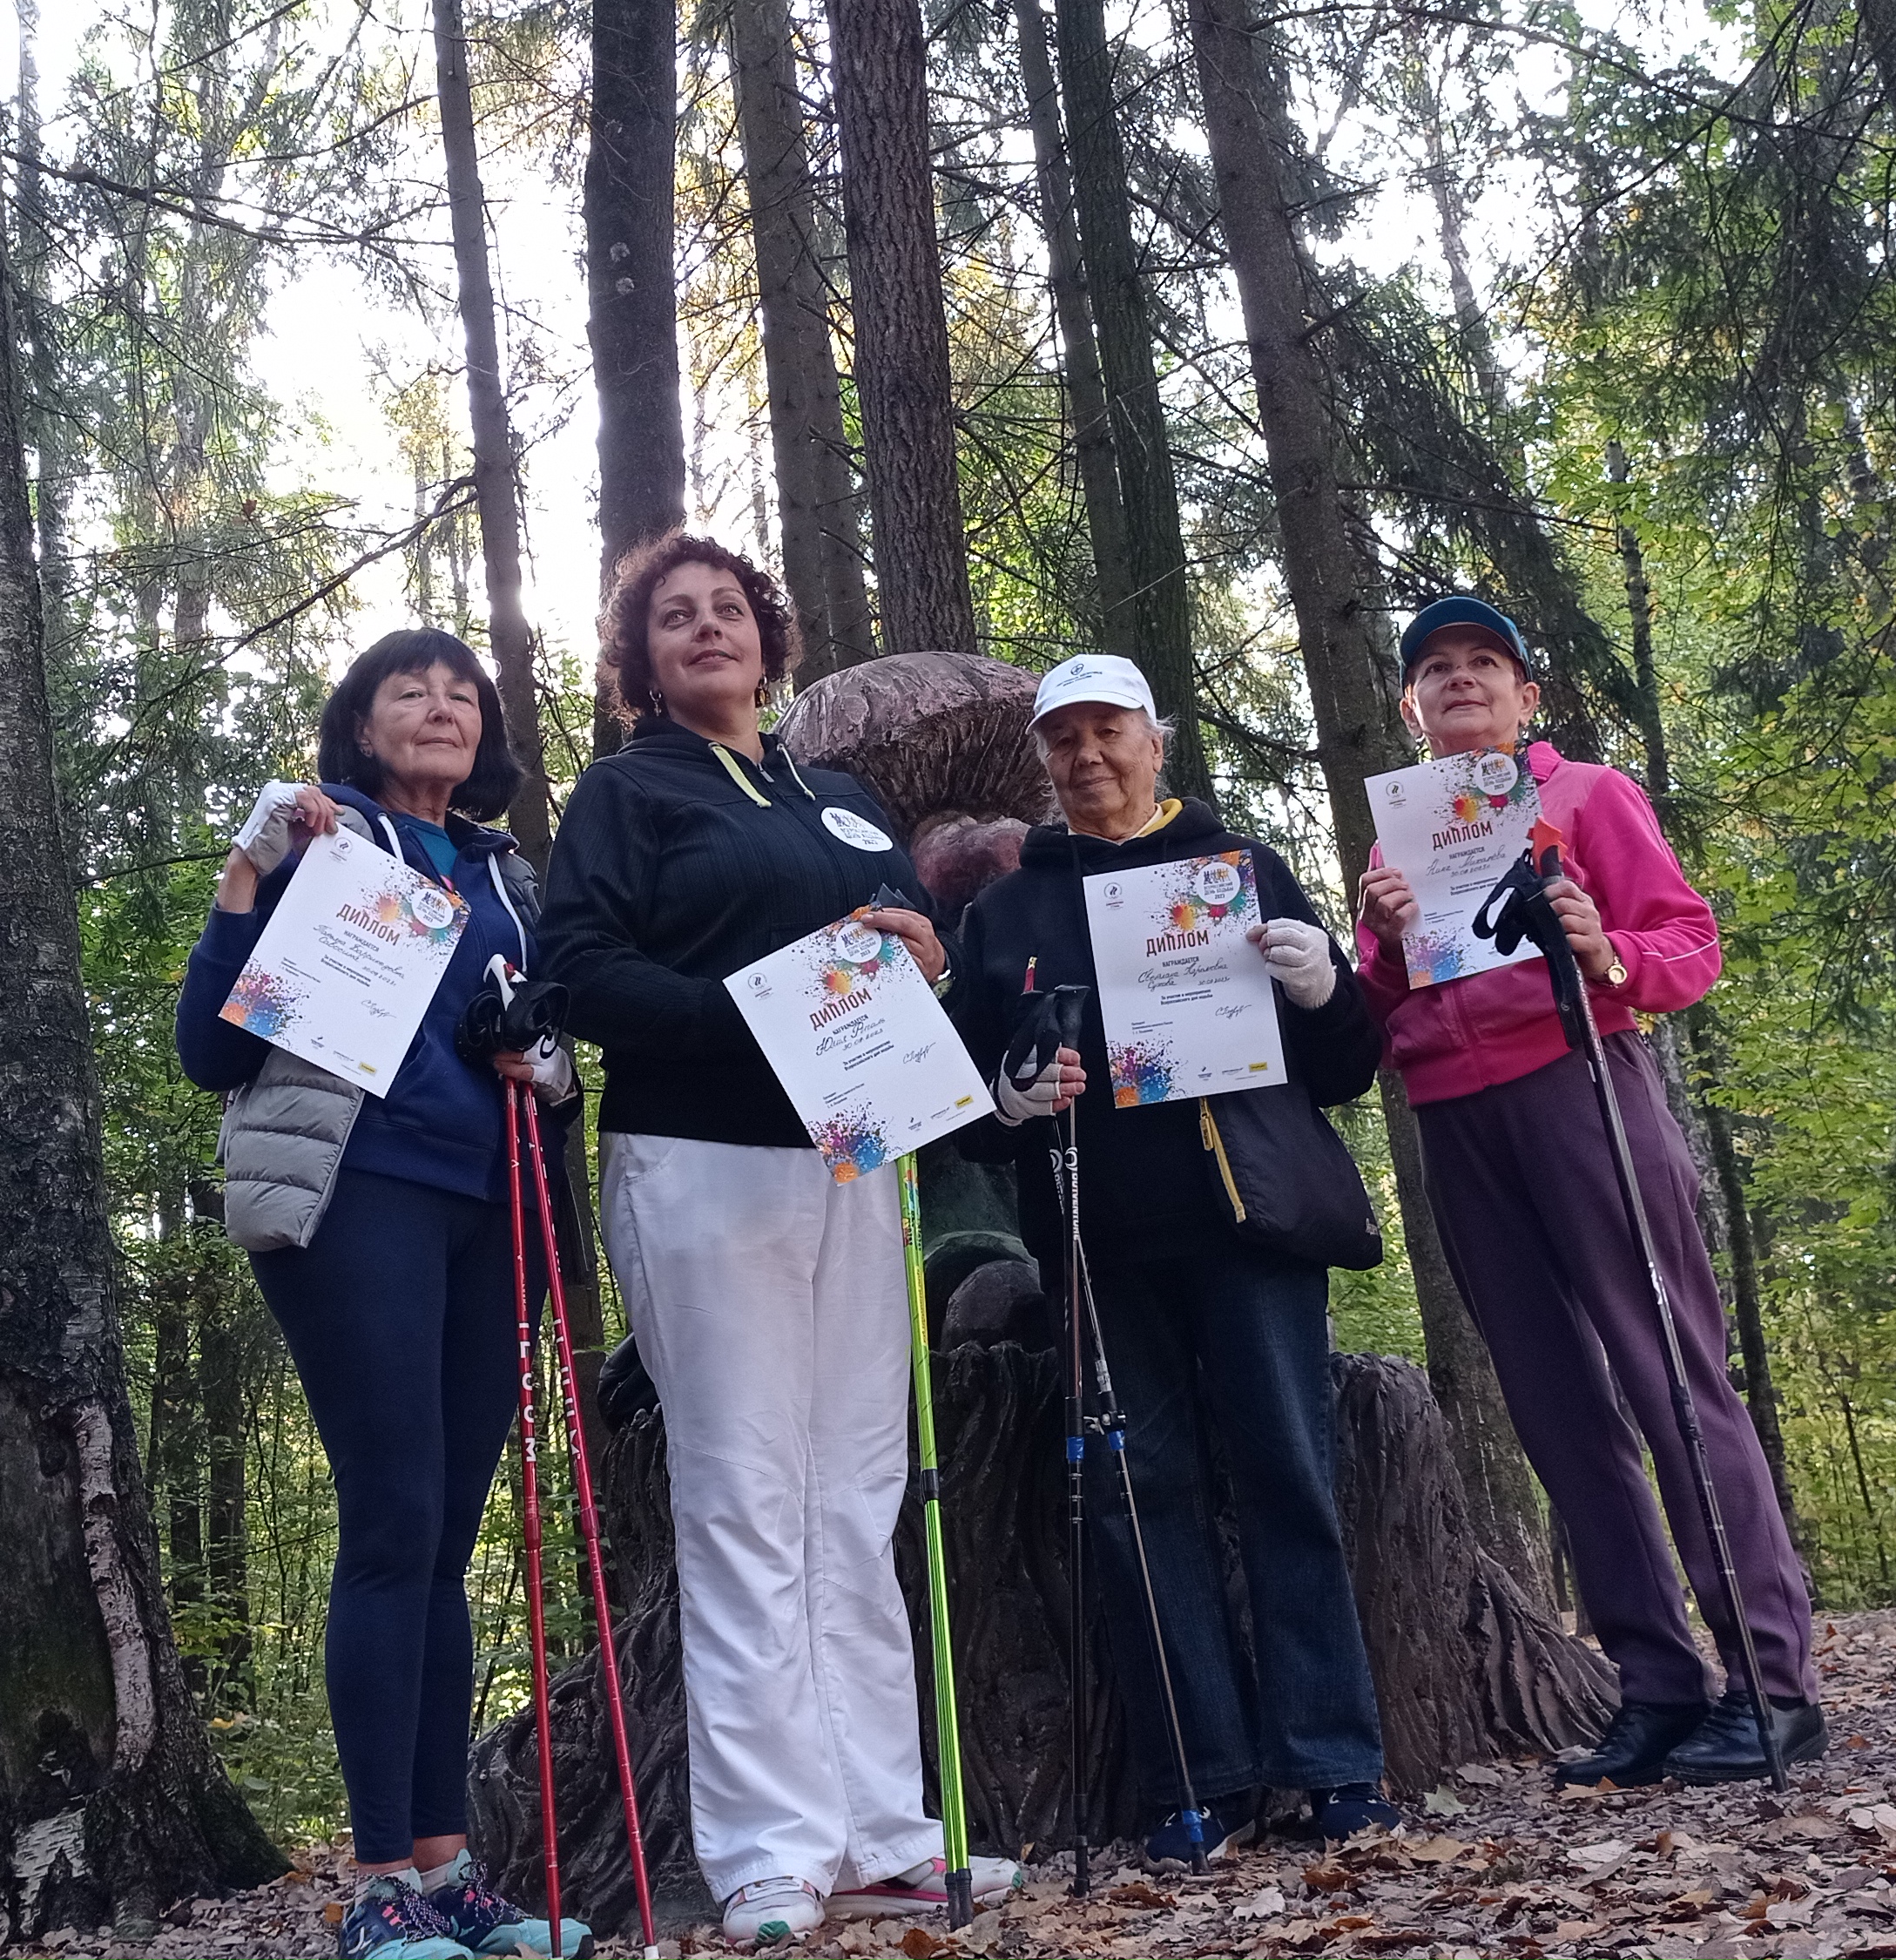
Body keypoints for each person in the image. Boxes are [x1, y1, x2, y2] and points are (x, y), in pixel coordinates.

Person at [539, 533, 1015, 1948]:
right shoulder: (626, 793)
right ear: (638, 657)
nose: (705, 630)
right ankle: (765, 1850)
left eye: (726, 609)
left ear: (769, 634)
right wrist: (742, 1011)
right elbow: (578, 969)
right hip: (699, 1159)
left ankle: (884, 1831)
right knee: (745, 1497)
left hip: (854, 1155)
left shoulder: (844, 799)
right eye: (672, 617)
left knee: (859, 1492)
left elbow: (916, 939)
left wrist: (926, 949)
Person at [1352, 596, 1825, 1788]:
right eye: (1437, 670)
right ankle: (1656, 1684)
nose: (1461, 681)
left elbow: (1689, 943)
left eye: (1485, 664)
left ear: (1527, 696)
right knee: (1557, 1406)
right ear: (1411, 706)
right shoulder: (1396, 836)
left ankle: (1773, 1685)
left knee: (1668, 1371)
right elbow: (1378, 1015)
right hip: (1455, 1119)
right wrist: (1383, 943)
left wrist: (1602, 944)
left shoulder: (1588, 795)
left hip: (1581, 1081)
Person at [942, 653, 1407, 1864]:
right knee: (1137, 1499)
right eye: (1063, 739)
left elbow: (1349, 1063)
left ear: (1156, 740)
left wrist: (1320, 983)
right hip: (1093, 1246)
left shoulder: (1239, 868)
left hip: (1246, 1223)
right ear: (1042, 759)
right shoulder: (1003, 914)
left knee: (1289, 1474)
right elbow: (961, 1099)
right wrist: (1013, 1090)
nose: (1086, 755)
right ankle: (1196, 1776)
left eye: (1109, 731)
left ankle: (1333, 1756)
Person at [174, 629, 588, 1960]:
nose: (441, 707)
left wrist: (549, 1065)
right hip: (359, 1199)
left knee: (447, 1535)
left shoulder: (506, 876)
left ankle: (450, 1871)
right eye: (408, 690)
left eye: (463, 694)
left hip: (497, 1212)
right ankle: (376, 1889)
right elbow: (210, 1048)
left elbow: (553, 1058)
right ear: (359, 726)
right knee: (394, 1518)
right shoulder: (320, 843)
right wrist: (249, 870)